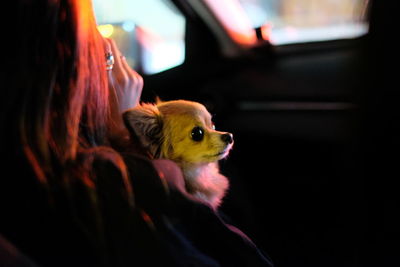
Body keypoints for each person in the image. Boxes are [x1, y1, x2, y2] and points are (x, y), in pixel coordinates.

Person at [0, 0, 273, 266]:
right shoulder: (107, 188)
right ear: (63, 66)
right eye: (104, 56)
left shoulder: (28, 182)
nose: (112, 51)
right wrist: (124, 136)